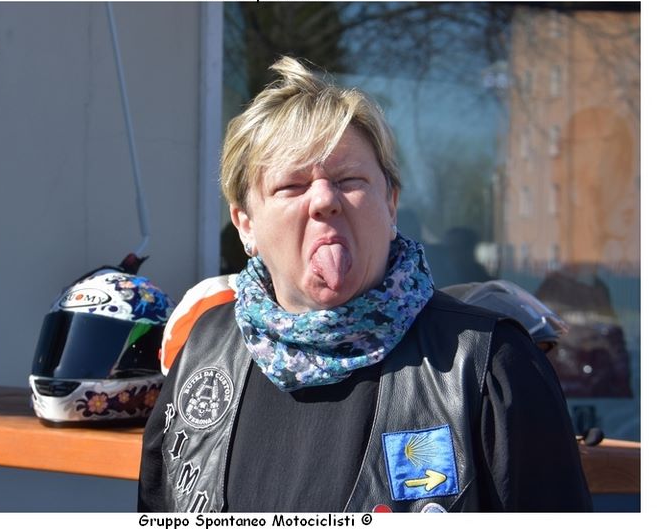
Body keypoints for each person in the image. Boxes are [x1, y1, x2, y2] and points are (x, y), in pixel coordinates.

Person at [138, 57, 591, 512]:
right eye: (292, 186)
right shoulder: (204, 351)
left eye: (349, 180)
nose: (324, 200)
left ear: (391, 204)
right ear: (245, 225)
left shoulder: (488, 363)